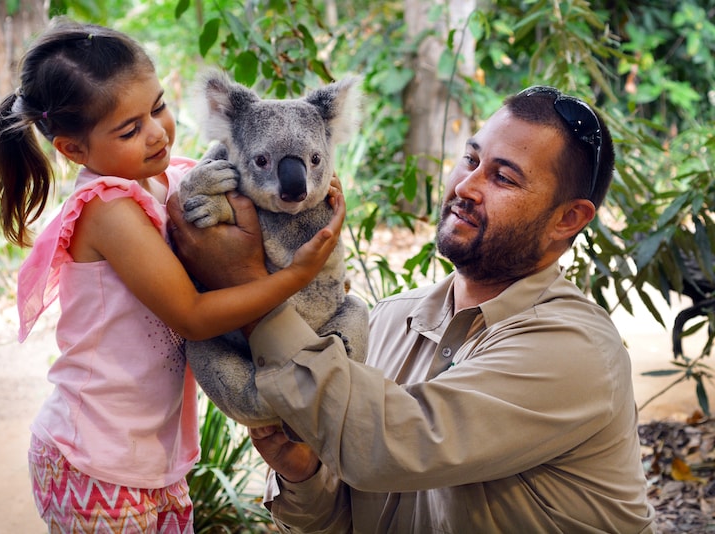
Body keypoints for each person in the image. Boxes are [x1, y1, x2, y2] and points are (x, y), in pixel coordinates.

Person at [169, 85, 657, 532]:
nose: (466, 186)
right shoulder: (385, 320)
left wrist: (244, 284)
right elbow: (345, 518)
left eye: (503, 177)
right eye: (470, 159)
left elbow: (389, 449)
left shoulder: (573, 351)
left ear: (567, 219)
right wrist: (306, 472)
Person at [0, 18, 344, 533]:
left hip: (153, 458)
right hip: (96, 459)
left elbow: (249, 179)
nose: (156, 133)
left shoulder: (166, 176)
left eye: (158, 107)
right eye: (129, 129)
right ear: (73, 150)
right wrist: (298, 273)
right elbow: (192, 317)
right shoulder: (107, 208)